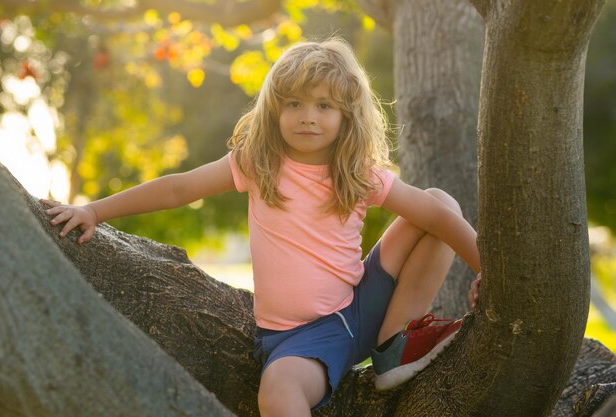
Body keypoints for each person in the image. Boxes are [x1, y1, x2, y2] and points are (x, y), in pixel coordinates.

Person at [42, 38, 482, 416]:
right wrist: (95, 211)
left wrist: (488, 270)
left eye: (323, 105)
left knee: (440, 203)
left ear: (347, 114)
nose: (307, 116)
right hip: (296, 336)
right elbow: (180, 188)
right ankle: (370, 355)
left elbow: (436, 219)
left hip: (359, 308)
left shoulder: (358, 173)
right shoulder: (259, 163)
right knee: (279, 391)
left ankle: (394, 347)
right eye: (294, 103)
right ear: (275, 109)